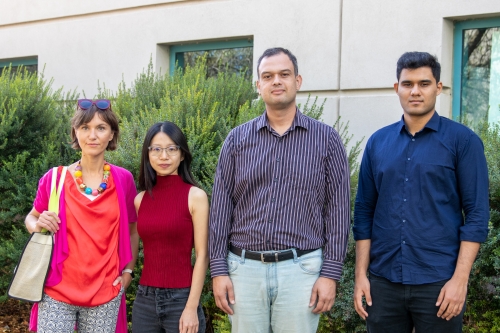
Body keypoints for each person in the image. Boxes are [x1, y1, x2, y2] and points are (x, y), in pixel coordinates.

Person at [209, 47, 351, 333]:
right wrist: (219, 269)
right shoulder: (237, 140)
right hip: (244, 270)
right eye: (268, 76)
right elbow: (221, 207)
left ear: (297, 81)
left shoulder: (326, 140)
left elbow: (338, 209)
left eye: (284, 74)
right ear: (258, 85)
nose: (276, 81)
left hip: (302, 271)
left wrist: (331, 273)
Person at [353, 52, 490, 332]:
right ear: (397, 88)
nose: (415, 91)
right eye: (407, 84)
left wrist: (460, 281)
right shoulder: (378, 142)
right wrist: (360, 276)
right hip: (383, 282)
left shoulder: (463, 142)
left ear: (438, 88)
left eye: (424, 83)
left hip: (439, 284)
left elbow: (476, 215)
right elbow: (364, 212)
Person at [25, 99, 137, 333]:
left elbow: (132, 230)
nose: (92, 135)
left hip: (105, 292)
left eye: (101, 128)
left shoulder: (123, 180)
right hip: (56, 291)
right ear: (76, 132)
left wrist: (128, 272)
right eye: (85, 127)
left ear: (111, 134)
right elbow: (31, 218)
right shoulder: (54, 178)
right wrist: (37, 224)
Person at [131, 121, 209, 333]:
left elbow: (202, 255)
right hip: (144, 301)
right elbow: (130, 246)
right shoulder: (140, 200)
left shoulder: (195, 197)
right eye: (156, 149)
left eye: (171, 149)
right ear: (147, 154)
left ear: (182, 154)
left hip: (181, 300)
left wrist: (192, 307)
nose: (163, 156)